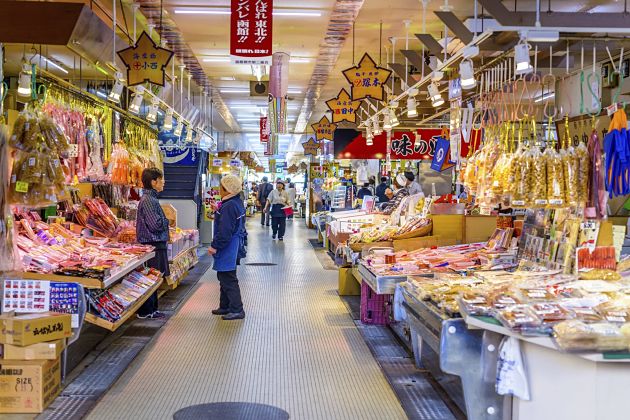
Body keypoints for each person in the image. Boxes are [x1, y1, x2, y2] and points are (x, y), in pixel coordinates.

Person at [208, 174, 246, 321]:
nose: (219, 189)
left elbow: (225, 231)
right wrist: (218, 209)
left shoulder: (229, 206)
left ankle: (237, 309)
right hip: (232, 244)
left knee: (228, 277)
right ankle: (225, 306)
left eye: (221, 186)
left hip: (227, 245)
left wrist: (214, 246)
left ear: (227, 189)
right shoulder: (234, 202)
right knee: (224, 275)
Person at [136, 168, 170, 319]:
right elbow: (155, 225)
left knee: (154, 277)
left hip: (154, 244)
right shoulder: (149, 200)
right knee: (151, 277)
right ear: (153, 182)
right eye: (161, 179)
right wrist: (167, 221)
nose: (163, 182)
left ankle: (152, 309)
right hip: (152, 244)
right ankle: (146, 311)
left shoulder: (151, 199)